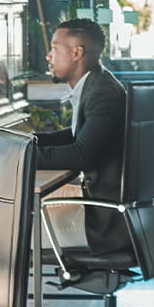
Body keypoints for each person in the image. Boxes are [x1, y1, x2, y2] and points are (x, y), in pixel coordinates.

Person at [34, 18, 129, 253]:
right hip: (104, 212)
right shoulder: (98, 83)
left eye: (55, 48)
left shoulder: (103, 94)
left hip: (104, 223)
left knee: (13, 224)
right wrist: (29, 141)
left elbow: (80, 155)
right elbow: (80, 135)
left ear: (77, 53)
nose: (49, 56)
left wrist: (17, 156)